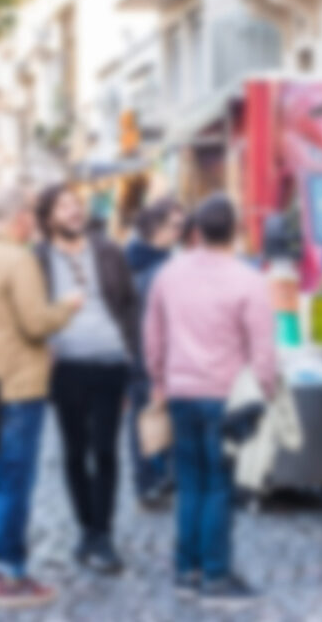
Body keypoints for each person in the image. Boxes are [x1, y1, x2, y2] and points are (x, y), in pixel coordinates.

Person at [144, 194, 276, 608]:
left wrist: (159, 382)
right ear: (236, 230)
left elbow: (153, 337)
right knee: (218, 487)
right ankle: (216, 579)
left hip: (181, 393)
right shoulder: (249, 280)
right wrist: (265, 392)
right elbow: (263, 350)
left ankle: (188, 573)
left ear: (196, 231)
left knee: (190, 486)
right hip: (225, 396)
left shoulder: (169, 274)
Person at [35, 184, 138, 575]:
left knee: (106, 451)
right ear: (49, 218)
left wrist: (131, 350)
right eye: (64, 206)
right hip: (67, 367)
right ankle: (85, 529)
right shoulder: (39, 258)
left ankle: (104, 534)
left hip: (110, 362)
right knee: (75, 452)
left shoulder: (108, 250)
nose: (74, 211)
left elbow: (129, 302)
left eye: (76, 204)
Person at [0, 186, 82, 609]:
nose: (33, 221)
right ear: (20, 220)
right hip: (19, 386)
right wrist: (67, 306)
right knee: (15, 481)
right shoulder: (20, 259)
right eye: (30, 215)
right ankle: (10, 572)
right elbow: (35, 323)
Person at [124, 198, 184, 508]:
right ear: (156, 228)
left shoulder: (142, 259)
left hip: (153, 353)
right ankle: (149, 481)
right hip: (144, 354)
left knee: (152, 416)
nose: (180, 232)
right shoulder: (149, 265)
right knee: (146, 417)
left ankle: (156, 480)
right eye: (175, 226)